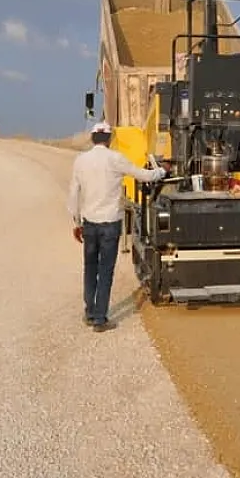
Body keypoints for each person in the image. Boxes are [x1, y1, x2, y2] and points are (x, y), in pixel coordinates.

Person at [67, 121, 167, 332]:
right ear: (110, 139)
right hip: (110, 223)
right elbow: (143, 175)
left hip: (89, 223)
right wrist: (161, 171)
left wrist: (76, 223)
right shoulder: (115, 159)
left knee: (90, 268)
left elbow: (74, 194)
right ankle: (100, 319)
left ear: (93, 138)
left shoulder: (81, 161)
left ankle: (90, 312)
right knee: (105, 270)